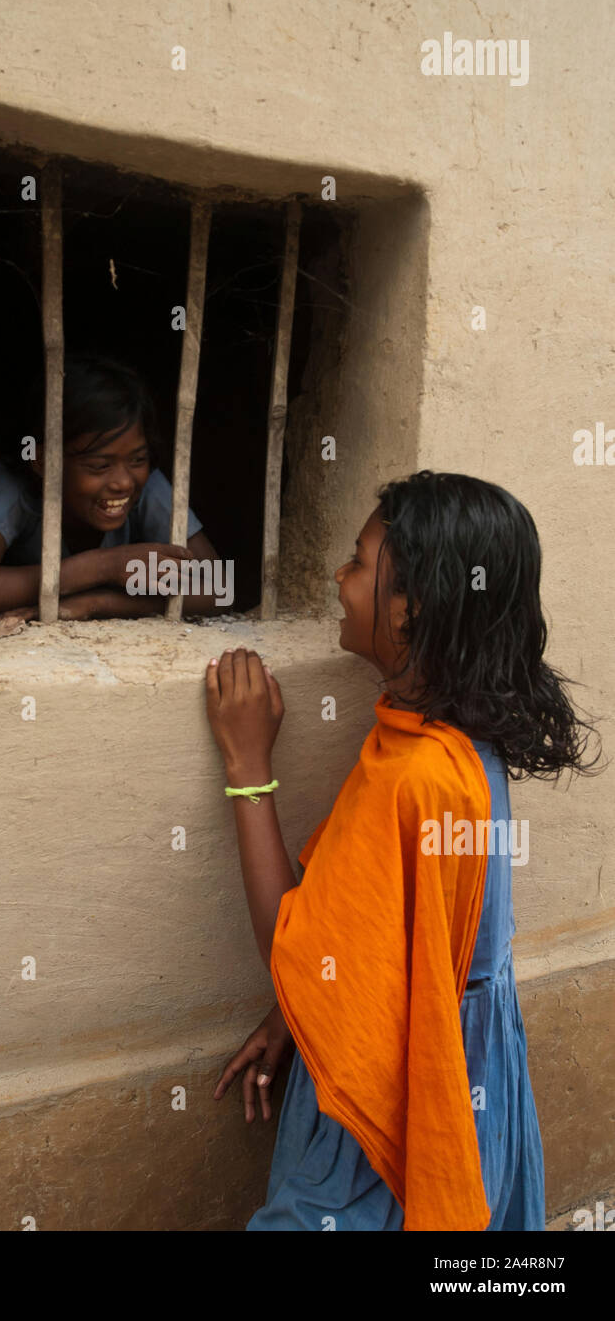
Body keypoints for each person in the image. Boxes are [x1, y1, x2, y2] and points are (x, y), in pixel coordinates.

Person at [205, 470, 603, 1231]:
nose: (339, 577)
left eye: (358, 561)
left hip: (405, 1089)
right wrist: (297, 1017)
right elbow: (398, 927)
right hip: (472, 1069)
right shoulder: (452, 742)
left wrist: (248, 769)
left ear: (410, 605)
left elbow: (286, 937)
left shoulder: (417, 774)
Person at [0, 354, 226, 622]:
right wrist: (104, 566)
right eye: (100, 466)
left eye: (138, 459)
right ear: (43, 461)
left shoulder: (148, 485)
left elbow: (219, 589)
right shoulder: (16, 485)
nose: (124, 482)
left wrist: (99, 603)